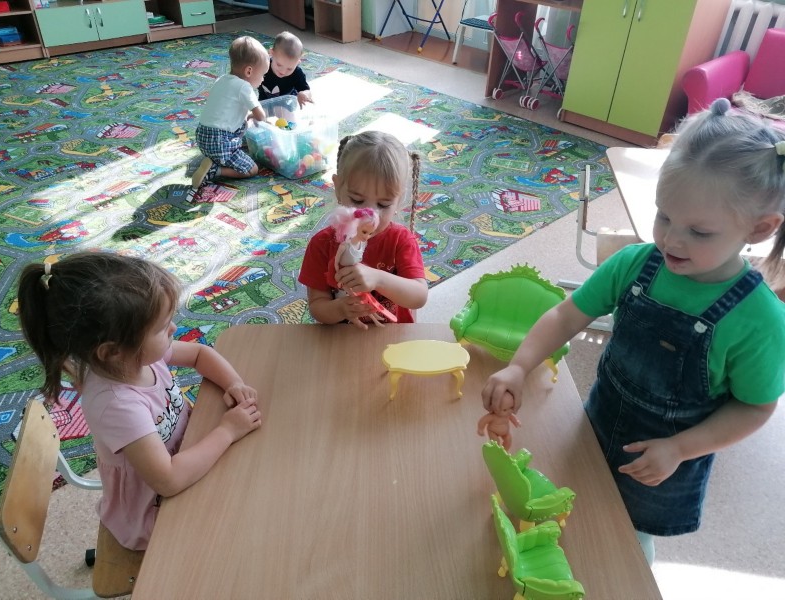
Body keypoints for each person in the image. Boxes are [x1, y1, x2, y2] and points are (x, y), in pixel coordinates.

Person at [481, 98, 785, 564]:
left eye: (699, 232)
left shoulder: (761, 320)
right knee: (577, 506)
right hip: (599, 419)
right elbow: (566, 316)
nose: (671, 239)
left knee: (627, 546)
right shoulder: (635, 263)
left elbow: (755, 408)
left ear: (760, 229)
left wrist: (681, 448)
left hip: (664, 461)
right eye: (664, 216)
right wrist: (519, 366)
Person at [17, 252, 263, 551]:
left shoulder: (134, 357)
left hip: (187, 454)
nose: (173, 329)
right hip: (153, 514)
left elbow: (200, 354)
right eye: (161, 328)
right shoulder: (117, 405)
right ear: (112, 351)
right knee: (245, 524)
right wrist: (228, 430)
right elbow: (168, 480)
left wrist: (234, 383)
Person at [299, 131, 428, 329]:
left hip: (393, 335)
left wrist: (379, 279)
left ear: (399, 200)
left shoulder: (401, 240)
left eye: (383, 204)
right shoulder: (322, 244)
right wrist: (340, 309)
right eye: (357, 200)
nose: (369, 215)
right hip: (342, 337)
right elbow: (317, 306)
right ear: (338, 188)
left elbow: (419, 296)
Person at [192, 35, 270, 190]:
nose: (262, 79)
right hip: (220, 142)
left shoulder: (221, 79)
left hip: (203, 138)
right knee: (252, 169)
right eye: (262, 75)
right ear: (249, 71)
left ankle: (214, 159)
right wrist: (267, 119)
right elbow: (261, 116)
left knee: (243, 128)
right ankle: (215, 170)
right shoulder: (244, 87)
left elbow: (225, 111)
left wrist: (248, 116)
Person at [330, 205, 397, 327]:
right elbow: (335, 263)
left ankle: (375, 316)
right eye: (364, 232)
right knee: (359, 302)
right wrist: (339, 279)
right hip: (345, 280)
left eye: (370, 233)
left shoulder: (362, 244)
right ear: (355, 226)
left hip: (355, 276)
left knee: (367, 298)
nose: (367, 236)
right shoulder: (345, 245)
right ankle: (370, 320)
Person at [258, 31, 313, 108]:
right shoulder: (263, 66)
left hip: (287, 104)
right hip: (263, 102)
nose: (283, 72)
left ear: (297, 63)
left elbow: (307, 91)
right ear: (271, 53)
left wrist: (304, 94)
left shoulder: (297, 73)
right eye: (279, 65)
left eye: (290, 69)